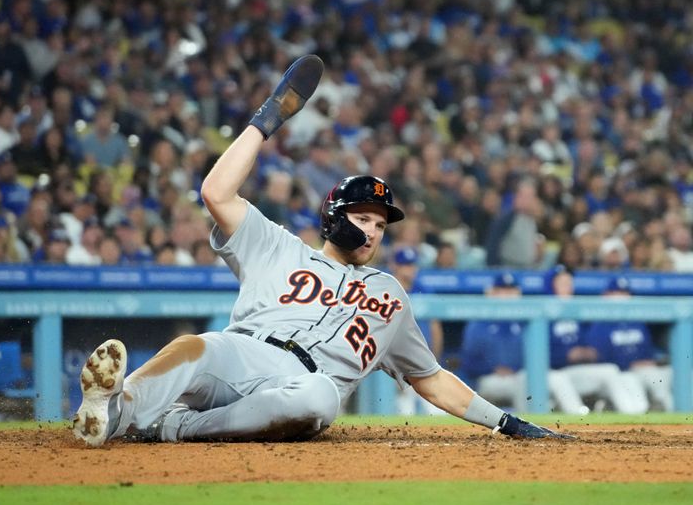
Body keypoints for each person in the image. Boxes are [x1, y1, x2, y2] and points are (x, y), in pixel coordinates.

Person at [72, 55, 572, 447]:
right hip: (245, 354)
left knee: (317, 397)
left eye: (380, 224)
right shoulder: (277, 246)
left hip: (305, 385)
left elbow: (432, 379)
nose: (373, 231)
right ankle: (114, 409)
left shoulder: (389, 295)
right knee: (194, 347)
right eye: (362, 218)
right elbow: (215, 193)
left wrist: (505, 422)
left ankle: (174, 428)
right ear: (334, 217)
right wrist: (266, 120)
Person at [460, 272, 589, 414]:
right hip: (490, 379)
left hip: (522, 374)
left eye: (511, 290)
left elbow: (542, 356)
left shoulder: (525, 321)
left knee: (557, 377)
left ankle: (578, 417)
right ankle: (528, 423)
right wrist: (491, 368)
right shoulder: (479, 323)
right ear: (492, 293)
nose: (507, 295)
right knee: (523, 379)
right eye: (502, 290)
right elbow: (468, 363)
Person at [549, 267, 649, 413]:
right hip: (552, 372)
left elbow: (594, 347)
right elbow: (538, 354)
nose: (567, 287)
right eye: (562, 283)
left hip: (579, 370)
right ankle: (579, 419)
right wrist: (565, 355)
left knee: (612, 371)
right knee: (559, 379)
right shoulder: (545, 314)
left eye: (569, 283)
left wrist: (587, 352)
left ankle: (634, 415)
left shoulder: (578, 312)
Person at [584, 277, 674, 411]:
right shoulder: (599, 323)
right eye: (617, 293)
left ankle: (675, 416)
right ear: (606, 295)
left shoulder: (637, 322)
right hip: (621, 373)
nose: (623, 297)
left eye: (625, 293)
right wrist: (630, 364)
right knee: (639, 385)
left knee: (672, 375)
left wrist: (651, 362)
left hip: (644, 370)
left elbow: (647, 351)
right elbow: (599, 357)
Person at [388, 246, 445, 416]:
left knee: (438, 413)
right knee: (404, 411)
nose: (410, 269)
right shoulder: (386, 289)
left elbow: (435, 328)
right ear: (394, 266)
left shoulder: (424, 289)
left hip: (423, 362)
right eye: (405, 265)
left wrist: (434, 359)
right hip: (395, 365)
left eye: (412, 265)